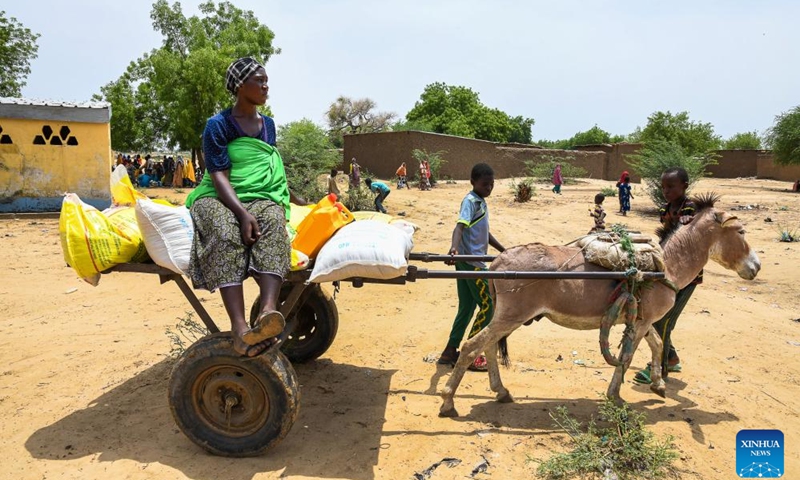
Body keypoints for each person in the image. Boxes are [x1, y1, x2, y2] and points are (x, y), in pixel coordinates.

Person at [184, 56, 291, 357]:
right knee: (224, 230)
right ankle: (239, 328)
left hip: (259, 193)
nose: (265, 85)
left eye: (266, 79)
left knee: (273, 218)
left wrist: (287, 199)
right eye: (259, 80)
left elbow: (266, 165)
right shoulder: (217, 125)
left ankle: (268, 312)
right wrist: (242, 213)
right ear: (240, 86)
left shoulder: (268, 125)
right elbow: (218, 173)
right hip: (219, 194)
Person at [634, 167, 700, 384]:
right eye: (663, 187)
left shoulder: (689, 207)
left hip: (686, 275)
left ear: (684, 186)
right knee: (656, 318)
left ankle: (659, 369)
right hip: (668, 270)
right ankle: (671, 358)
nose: (666, 191)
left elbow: (685, 238)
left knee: (662, 322)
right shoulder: (666, 208)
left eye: (671, 186)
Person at [438, 163, 506, 372]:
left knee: (467, 307)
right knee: (489, 306)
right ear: (473, 182)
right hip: (472, 263)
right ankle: (471, 353)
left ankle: (450, 351)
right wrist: (454, 248)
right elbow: (460, 226)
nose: (489, 188)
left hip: (468, 262)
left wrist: (504, 250)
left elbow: (485, 233)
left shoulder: (480, 202)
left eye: (492, 184)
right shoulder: (470, 201)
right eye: (485, 184)